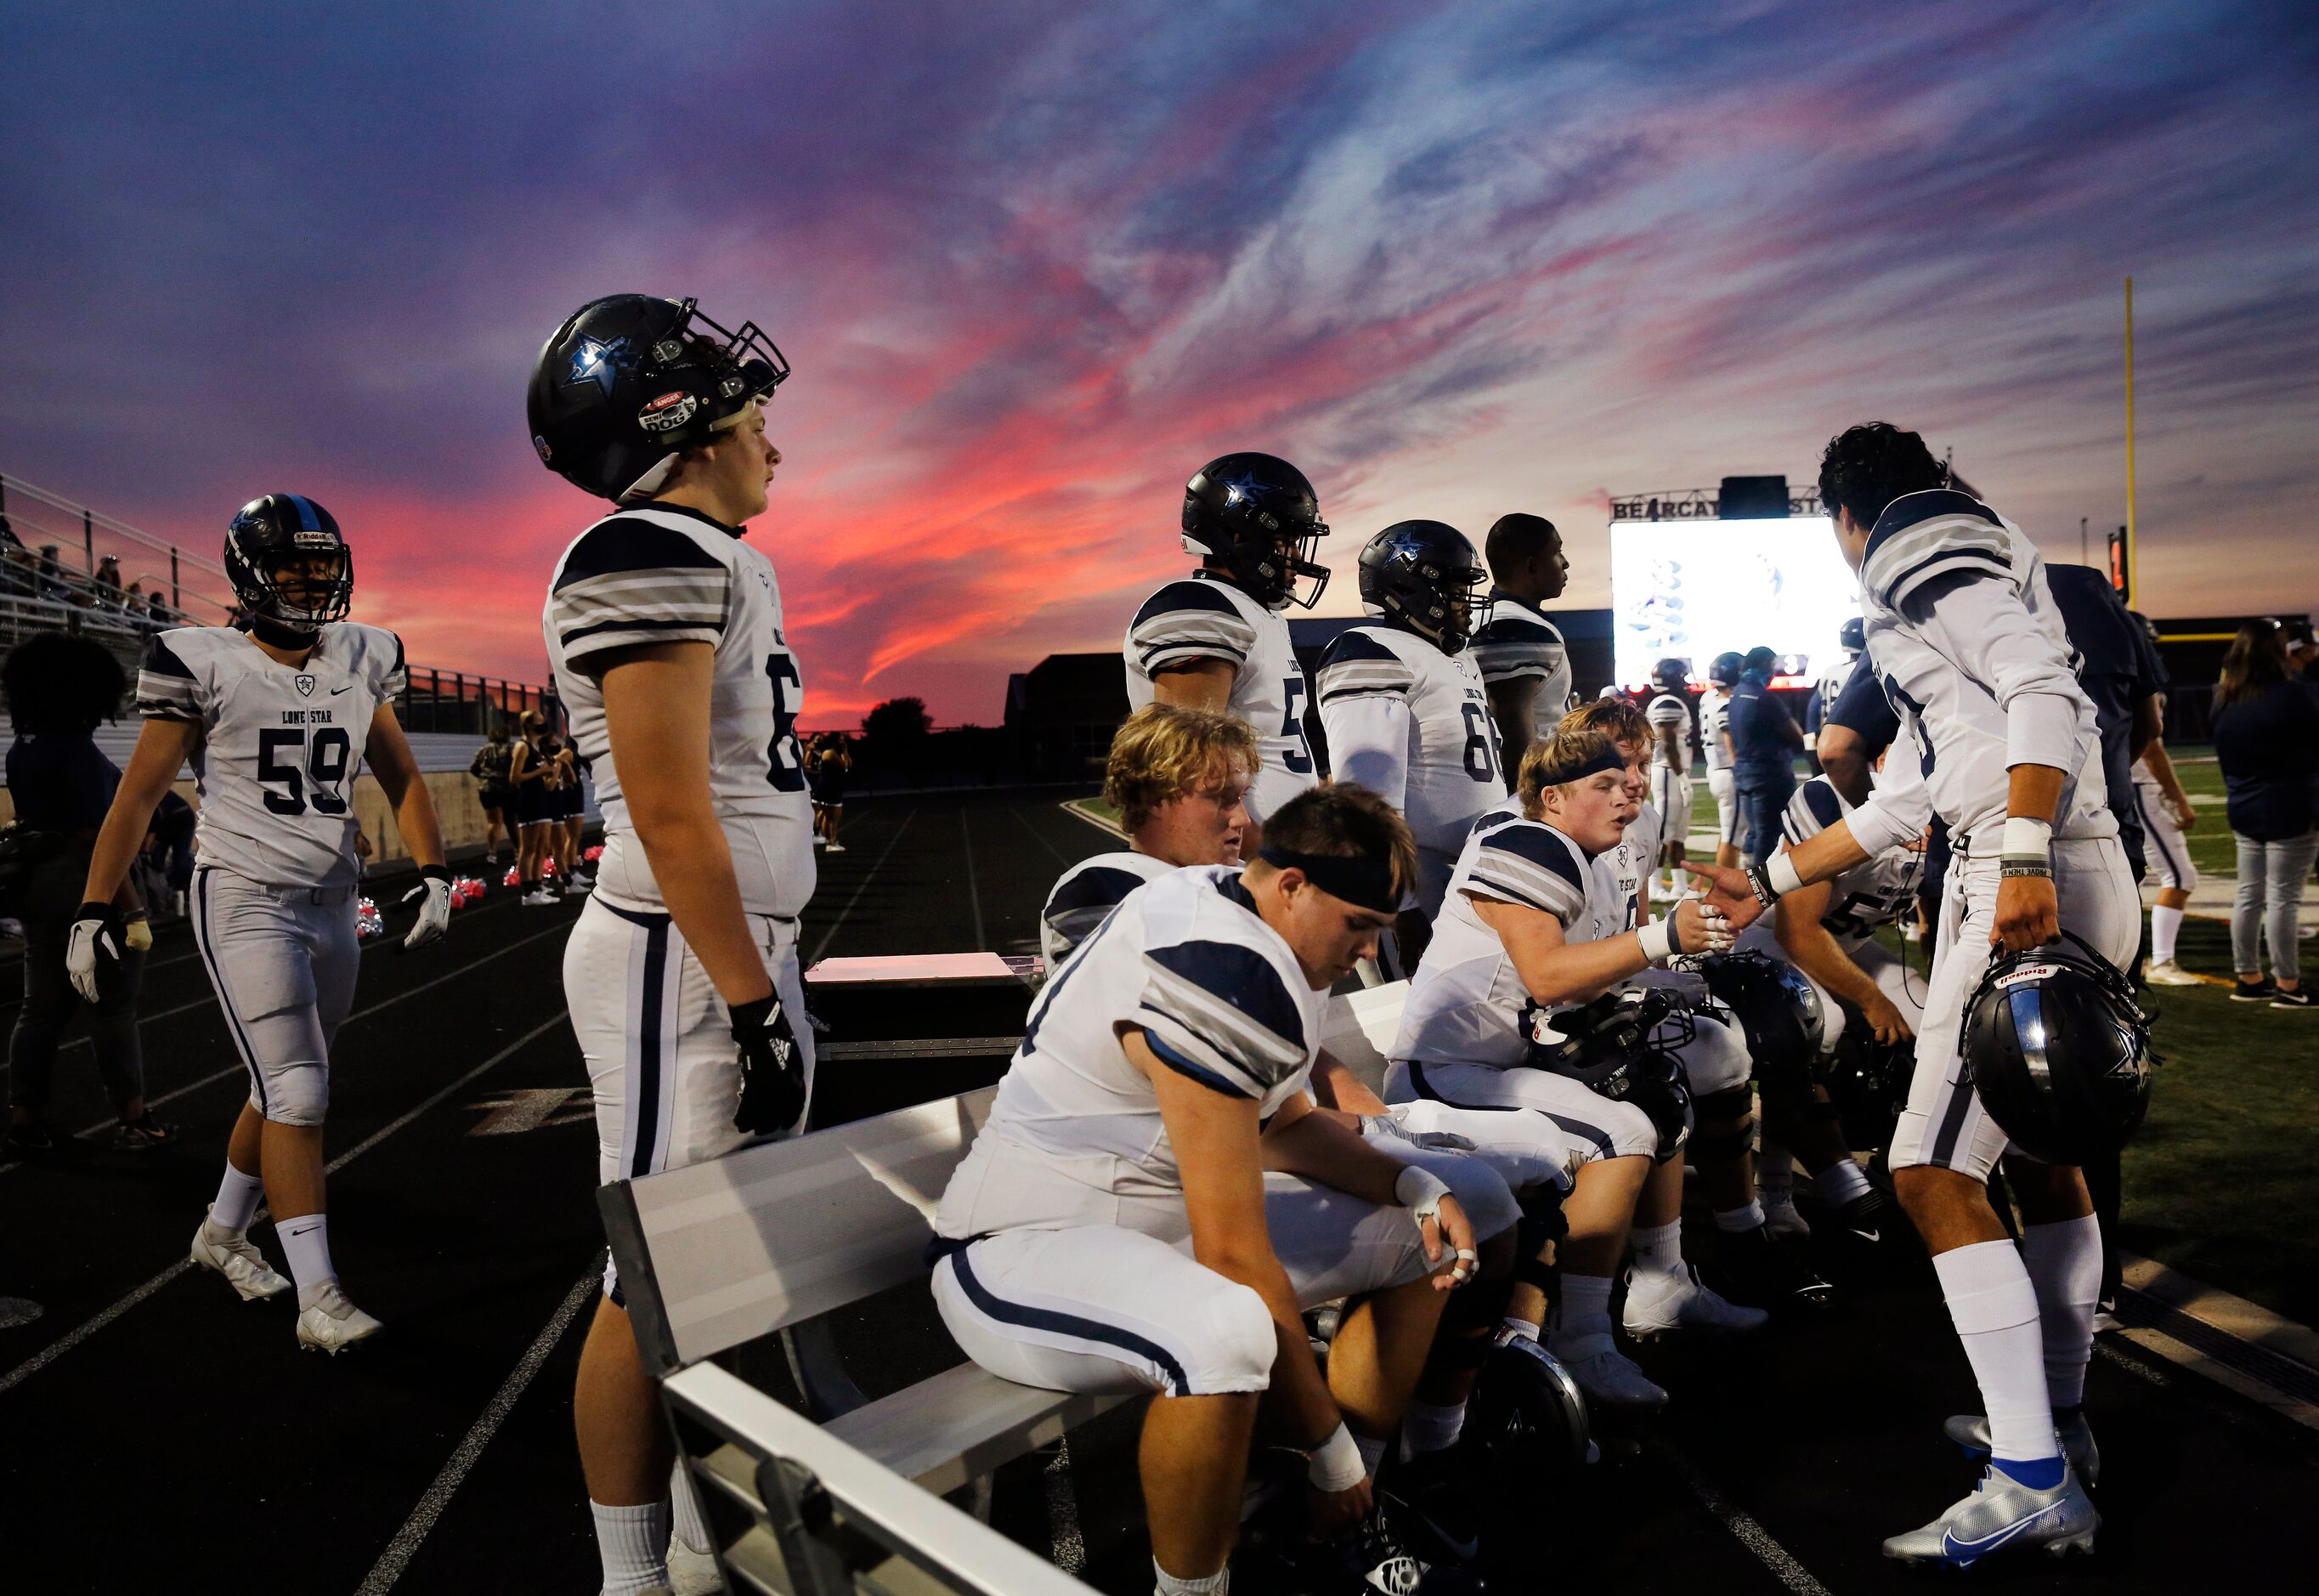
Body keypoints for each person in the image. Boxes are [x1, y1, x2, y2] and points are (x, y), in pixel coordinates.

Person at [1703, 422, 2133, 1565]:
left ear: (1844, 513)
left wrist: (2027, 851)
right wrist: (1769, 877)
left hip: (2021, 870)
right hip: (2061, 859)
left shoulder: (1907, 536)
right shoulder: (1961, 560)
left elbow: (2038, 683)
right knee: (2041, 1159)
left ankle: (2031, 1475)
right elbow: (1907, 798)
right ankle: (2056, 1422)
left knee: (1930, 1169)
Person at [934, 784, 1490, 1596]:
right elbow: (1234, 1253)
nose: (1368, 953)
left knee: (1422, 1236)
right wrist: (1326, 1451)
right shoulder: (1215, 963)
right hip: (1024, 1247)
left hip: (1156, 1237)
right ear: (1292, 885)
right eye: (1359, 927)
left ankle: (1344, 1524)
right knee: (1222, 1333)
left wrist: (1413, 1182)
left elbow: (1285, 1127)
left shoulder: (1256, 920)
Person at [530, 291, 815, 1596]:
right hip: (677, 953)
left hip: (723, 945)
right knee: (644, 1272)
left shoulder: (713, 552)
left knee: (726, 1255)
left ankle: (702, 1537)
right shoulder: (637, 549)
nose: (769, 431)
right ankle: (628, 1574)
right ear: (675, 422)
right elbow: (665, 806)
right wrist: (751, 1002)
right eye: (743, 407)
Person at [74, 493, 452, 1354]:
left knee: (279, 1086)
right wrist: (95, 905)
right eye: (295, 567)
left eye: (324, 565)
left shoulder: (364, 653)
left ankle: (219, 1234)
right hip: (243, 895)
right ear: (251, 573)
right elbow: (138, 795)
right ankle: (319, 1297)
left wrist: (433, 871)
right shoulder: (201, 658)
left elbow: (401, 779)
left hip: (332, 895)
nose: (314, 582)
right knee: (301, 1090)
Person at [1389, 727, 1754, 1411]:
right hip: (1443, 1069)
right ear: (1551, 799)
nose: (1628, 795)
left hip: (1498, 1059)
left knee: (1653, 1083)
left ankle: (1645, 1287)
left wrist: (1680, 972)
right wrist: (1662, 937)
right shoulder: (1528, 840)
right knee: (1618, 1131)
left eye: (1630, 782)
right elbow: (1549, 977)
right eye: (1605, 785)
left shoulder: (1587, 851)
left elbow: (1586, 977)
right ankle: (1580, 1340)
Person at [1563, 695, 1831, 1313]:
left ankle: (1752, 1221)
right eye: (1612, 770)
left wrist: (1661, 969)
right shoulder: (1544, 832)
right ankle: (1658, 1269)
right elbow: (1549, 964)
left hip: (1605, 981)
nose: (1630, 785)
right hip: (1548, 1010)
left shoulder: (1642, 817)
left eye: (1637, 768)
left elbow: (1629, 926)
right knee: (1665, 1056)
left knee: (1747, 1027)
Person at [3, 632, 176, 1157]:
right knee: (111, 1008)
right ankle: (133, 1118)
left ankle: (25, 1120)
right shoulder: (77, 751)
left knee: (41, 1008)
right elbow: (99, 841)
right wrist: (134, 910)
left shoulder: (22, 747)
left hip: (40, 886)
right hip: (86, 885)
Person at [1123, 452, 1330, 855]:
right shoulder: (1198, 605)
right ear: (1239, 536)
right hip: (1229, 862)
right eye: (1287, 541)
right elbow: (1186, 768)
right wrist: (1268, 853)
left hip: (1269, 860)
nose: (1297, 558)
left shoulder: (1258, 616)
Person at [1745, 769, 1920, 1244]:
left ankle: (1906, 1162)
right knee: (1817, 1025)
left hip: (1849, 944)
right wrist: (1872, 999)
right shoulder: (1829, 798)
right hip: (1766, 937)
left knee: (1935, 1021)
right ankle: (1777, 1187)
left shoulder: (1955, 799)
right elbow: (1795, 930)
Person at [1315, 521, 1502, 946]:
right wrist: (1400, 907)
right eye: (1456, 592)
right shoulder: (1370, 648)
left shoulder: (1453, 657)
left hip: (1467, 872)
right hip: (1417, 877)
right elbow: (1365, 798)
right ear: (1415, 589)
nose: (1467, 606)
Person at [1040, 704, 1258, 971]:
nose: (1243, 819)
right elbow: (1112, 1003)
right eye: (1220, 797)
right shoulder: (1104, 886)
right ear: (1153, 797)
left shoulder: (1251, 879)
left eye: (1241, 797)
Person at [2210, 620, 2319, 1008]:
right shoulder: (2294, 694)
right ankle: (2288, 985)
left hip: (2243, 803)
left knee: (2249, 894)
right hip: (2288, 804)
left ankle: (2249, 979)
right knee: (2283, 899)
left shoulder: (2225, 696)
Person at [1469, 512, 1572, 778]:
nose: (1565, 563)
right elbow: (1512, 728)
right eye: (1557, 552)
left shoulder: (1481, 618)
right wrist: (1526, 802)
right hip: (1528, 787)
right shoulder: (1519, 626)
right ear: (1532, 567)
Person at [1727, 644, 1802, 866]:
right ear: (1765, 666)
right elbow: (1795, 734)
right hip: (1768, 773)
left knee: (1755, 831)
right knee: (1770, 834)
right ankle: (1759, 890)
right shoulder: (1763, 698)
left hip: (1744, 770)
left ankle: (1746, 877)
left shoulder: (1737, 693)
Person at [1643, 659, 1693, 901]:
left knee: (1678, 833)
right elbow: (1668, 743)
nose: (1684, 682)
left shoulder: (1668, 701)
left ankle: (1680, 885)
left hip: (1672, 771)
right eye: (1681, 677)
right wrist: (1682, 775)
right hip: (1667, 771)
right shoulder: (1667, 703)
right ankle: (1653, 885)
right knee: (1663, 832)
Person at [507, 710, 558, 904]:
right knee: (528, 848)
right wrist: (540, 771)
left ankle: (537, 885)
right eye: (539, 722)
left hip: (541, 799)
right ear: (528, 725)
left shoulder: (537, 747)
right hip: (528, 800)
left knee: (543, 846)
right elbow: (514, 777)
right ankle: (528, 892)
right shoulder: (523, 746)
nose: (543, 724)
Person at [1701, 652, 1743, 868]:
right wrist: (1742, 768)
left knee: (1730, 832)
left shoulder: (1708, 699)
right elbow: (1731, 742)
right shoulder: (1725, 704)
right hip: (1728, 771)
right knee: (1731, 837)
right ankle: (1725, 888)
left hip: (1716, 770)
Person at [469, 722, 517, 866]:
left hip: (488, 789)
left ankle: (492, 853)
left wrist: (485, 777)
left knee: (493, 821)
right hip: (508, 789)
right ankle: (519, 851)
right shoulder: (512, 748)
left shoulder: (483, 750)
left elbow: (473, 768)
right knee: (512, 822)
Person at [812, 732, 851, 852]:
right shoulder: (829, 753)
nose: (843, 743)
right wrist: (844, 752)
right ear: (834, 742)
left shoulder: (837, 753)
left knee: (833, 816)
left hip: (835, 786)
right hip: (828, 787)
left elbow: (849, 764)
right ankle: (829, 841)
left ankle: (831, 840)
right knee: (830, 816)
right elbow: (844, 767)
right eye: (840, 740)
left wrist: (845, 752)